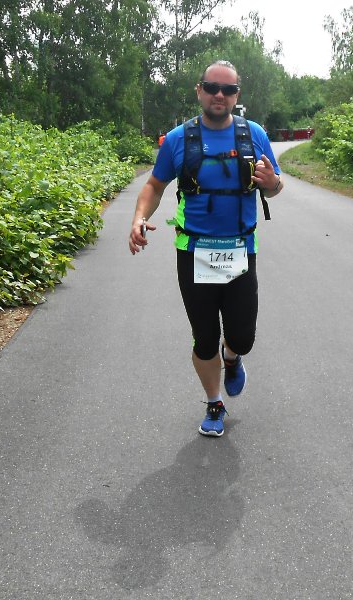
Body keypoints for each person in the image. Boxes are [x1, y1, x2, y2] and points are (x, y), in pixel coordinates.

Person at [128, 60, 284, 437]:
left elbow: (275, 187)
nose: (219, 95)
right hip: (193, 252)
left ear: (236, 95)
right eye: (212, 87)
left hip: (240, 250)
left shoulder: (254, 134)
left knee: (242, 337)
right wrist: (138, 218)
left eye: (227, 90)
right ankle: (214, 403)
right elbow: (154, 186)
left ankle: (232, 358)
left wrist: (271, 182)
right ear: (199, 90)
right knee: (204, 337)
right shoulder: (178, 139)